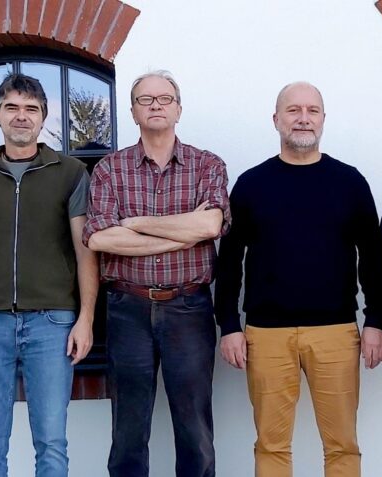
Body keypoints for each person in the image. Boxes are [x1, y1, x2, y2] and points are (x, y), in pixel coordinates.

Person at [214, 81, 382, 477]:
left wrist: (377, 321)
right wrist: (228, 325)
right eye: (293, 110)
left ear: (323, 119)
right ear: (276, 119)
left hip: (336, 332)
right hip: (266, 334)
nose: (303, 118)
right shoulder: (251, 184)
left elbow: (373, 257)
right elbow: (228, 261)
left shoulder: (349, 182)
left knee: (342, 445)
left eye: (312, 110)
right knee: (271, 445)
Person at [0, 73, 99, 477]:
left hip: (52, 323)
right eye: (11, 107)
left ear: (43, 117)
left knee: (52, 443)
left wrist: (85, 318)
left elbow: (85, 251)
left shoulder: (70, 173)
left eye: (31, 109)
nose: (21, 116)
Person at [83, 70, 230, 477]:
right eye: (145, 100)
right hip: (127, 308)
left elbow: (210, 225)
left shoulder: (207, 165)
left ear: (179, 109)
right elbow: (99, 238)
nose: (156, 106)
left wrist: (135, 224)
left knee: (195, 428)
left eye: (165, 99)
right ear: (133, 112)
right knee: (128, 430)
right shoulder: (110, 169)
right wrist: (181, 234)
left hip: (189, 308)